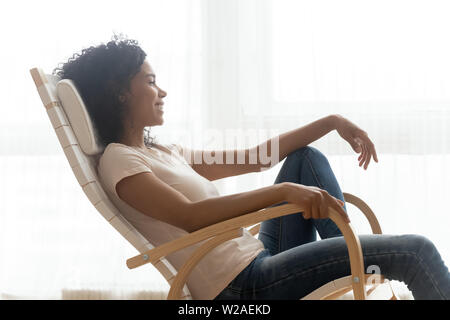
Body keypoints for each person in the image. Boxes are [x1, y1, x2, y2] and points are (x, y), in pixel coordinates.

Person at [54, 35, 450, 300]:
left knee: (305, 159)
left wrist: (331, 122)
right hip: (243, 287)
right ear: (120, 92)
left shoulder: (163, 151)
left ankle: (354, 263)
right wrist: (282, 193)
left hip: (260, 255)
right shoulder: (120, 160)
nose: (163, 91)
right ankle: (358, 262)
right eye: (152, 81)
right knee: (416, 251)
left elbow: (256, 156)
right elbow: (191, 218)